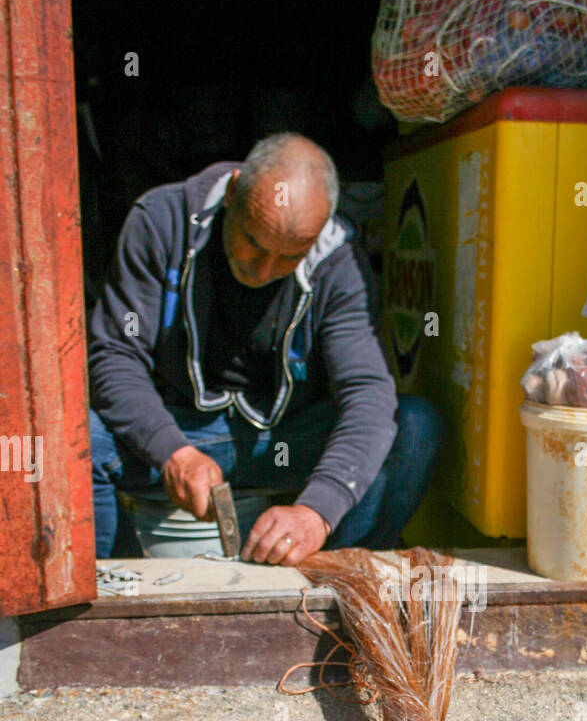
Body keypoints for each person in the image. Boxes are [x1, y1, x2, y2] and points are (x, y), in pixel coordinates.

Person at [88, 133, 445, 563]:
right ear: (234, 191)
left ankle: (330, 593)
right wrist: (170, 450)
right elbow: (116, 357)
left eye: (289, 257)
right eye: (253, 242)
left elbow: (368, 393)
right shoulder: (162, 220)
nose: (263, 271)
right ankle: (129, 602)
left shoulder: (338, 258)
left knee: (414, 428)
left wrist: (316, 512)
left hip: (282, 442)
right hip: (182, 432)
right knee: (75, 443)